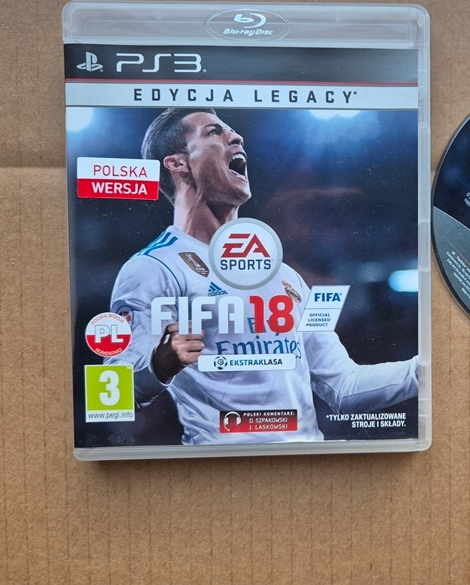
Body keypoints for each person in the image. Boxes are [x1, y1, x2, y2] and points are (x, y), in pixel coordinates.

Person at [107, 108, 418, 444]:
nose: (237, 137)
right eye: (214, 132)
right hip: (219, 466)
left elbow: (344, 386)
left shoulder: (285, 276)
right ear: (178, 163)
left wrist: (427, 369)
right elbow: (109, 395)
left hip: (307, 463)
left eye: (232, 131)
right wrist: (157, 366)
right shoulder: (153, 267)